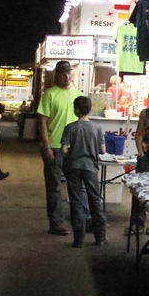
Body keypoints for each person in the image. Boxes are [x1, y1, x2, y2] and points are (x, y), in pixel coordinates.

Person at [37, 60, 84, 236]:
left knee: (76, 186)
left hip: (74, 148)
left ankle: (79, 221)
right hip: (54, 147)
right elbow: (42, 122)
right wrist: (46, 145)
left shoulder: (78, 95)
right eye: (63, 73)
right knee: (54, 187)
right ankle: (56, 223)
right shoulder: (49, 95)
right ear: (56, 75)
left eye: (69, 73)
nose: (67, 76)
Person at [61, 96, 108, 248]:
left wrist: (71, 152)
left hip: (73, 167)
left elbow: (64, 150)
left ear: (76, 110)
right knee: (95, 201)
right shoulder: (97, 128)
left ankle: (78, 240)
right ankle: (100, 238)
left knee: (76, 202)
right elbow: (103, 150)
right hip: (90, 168)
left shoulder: (70, 127)